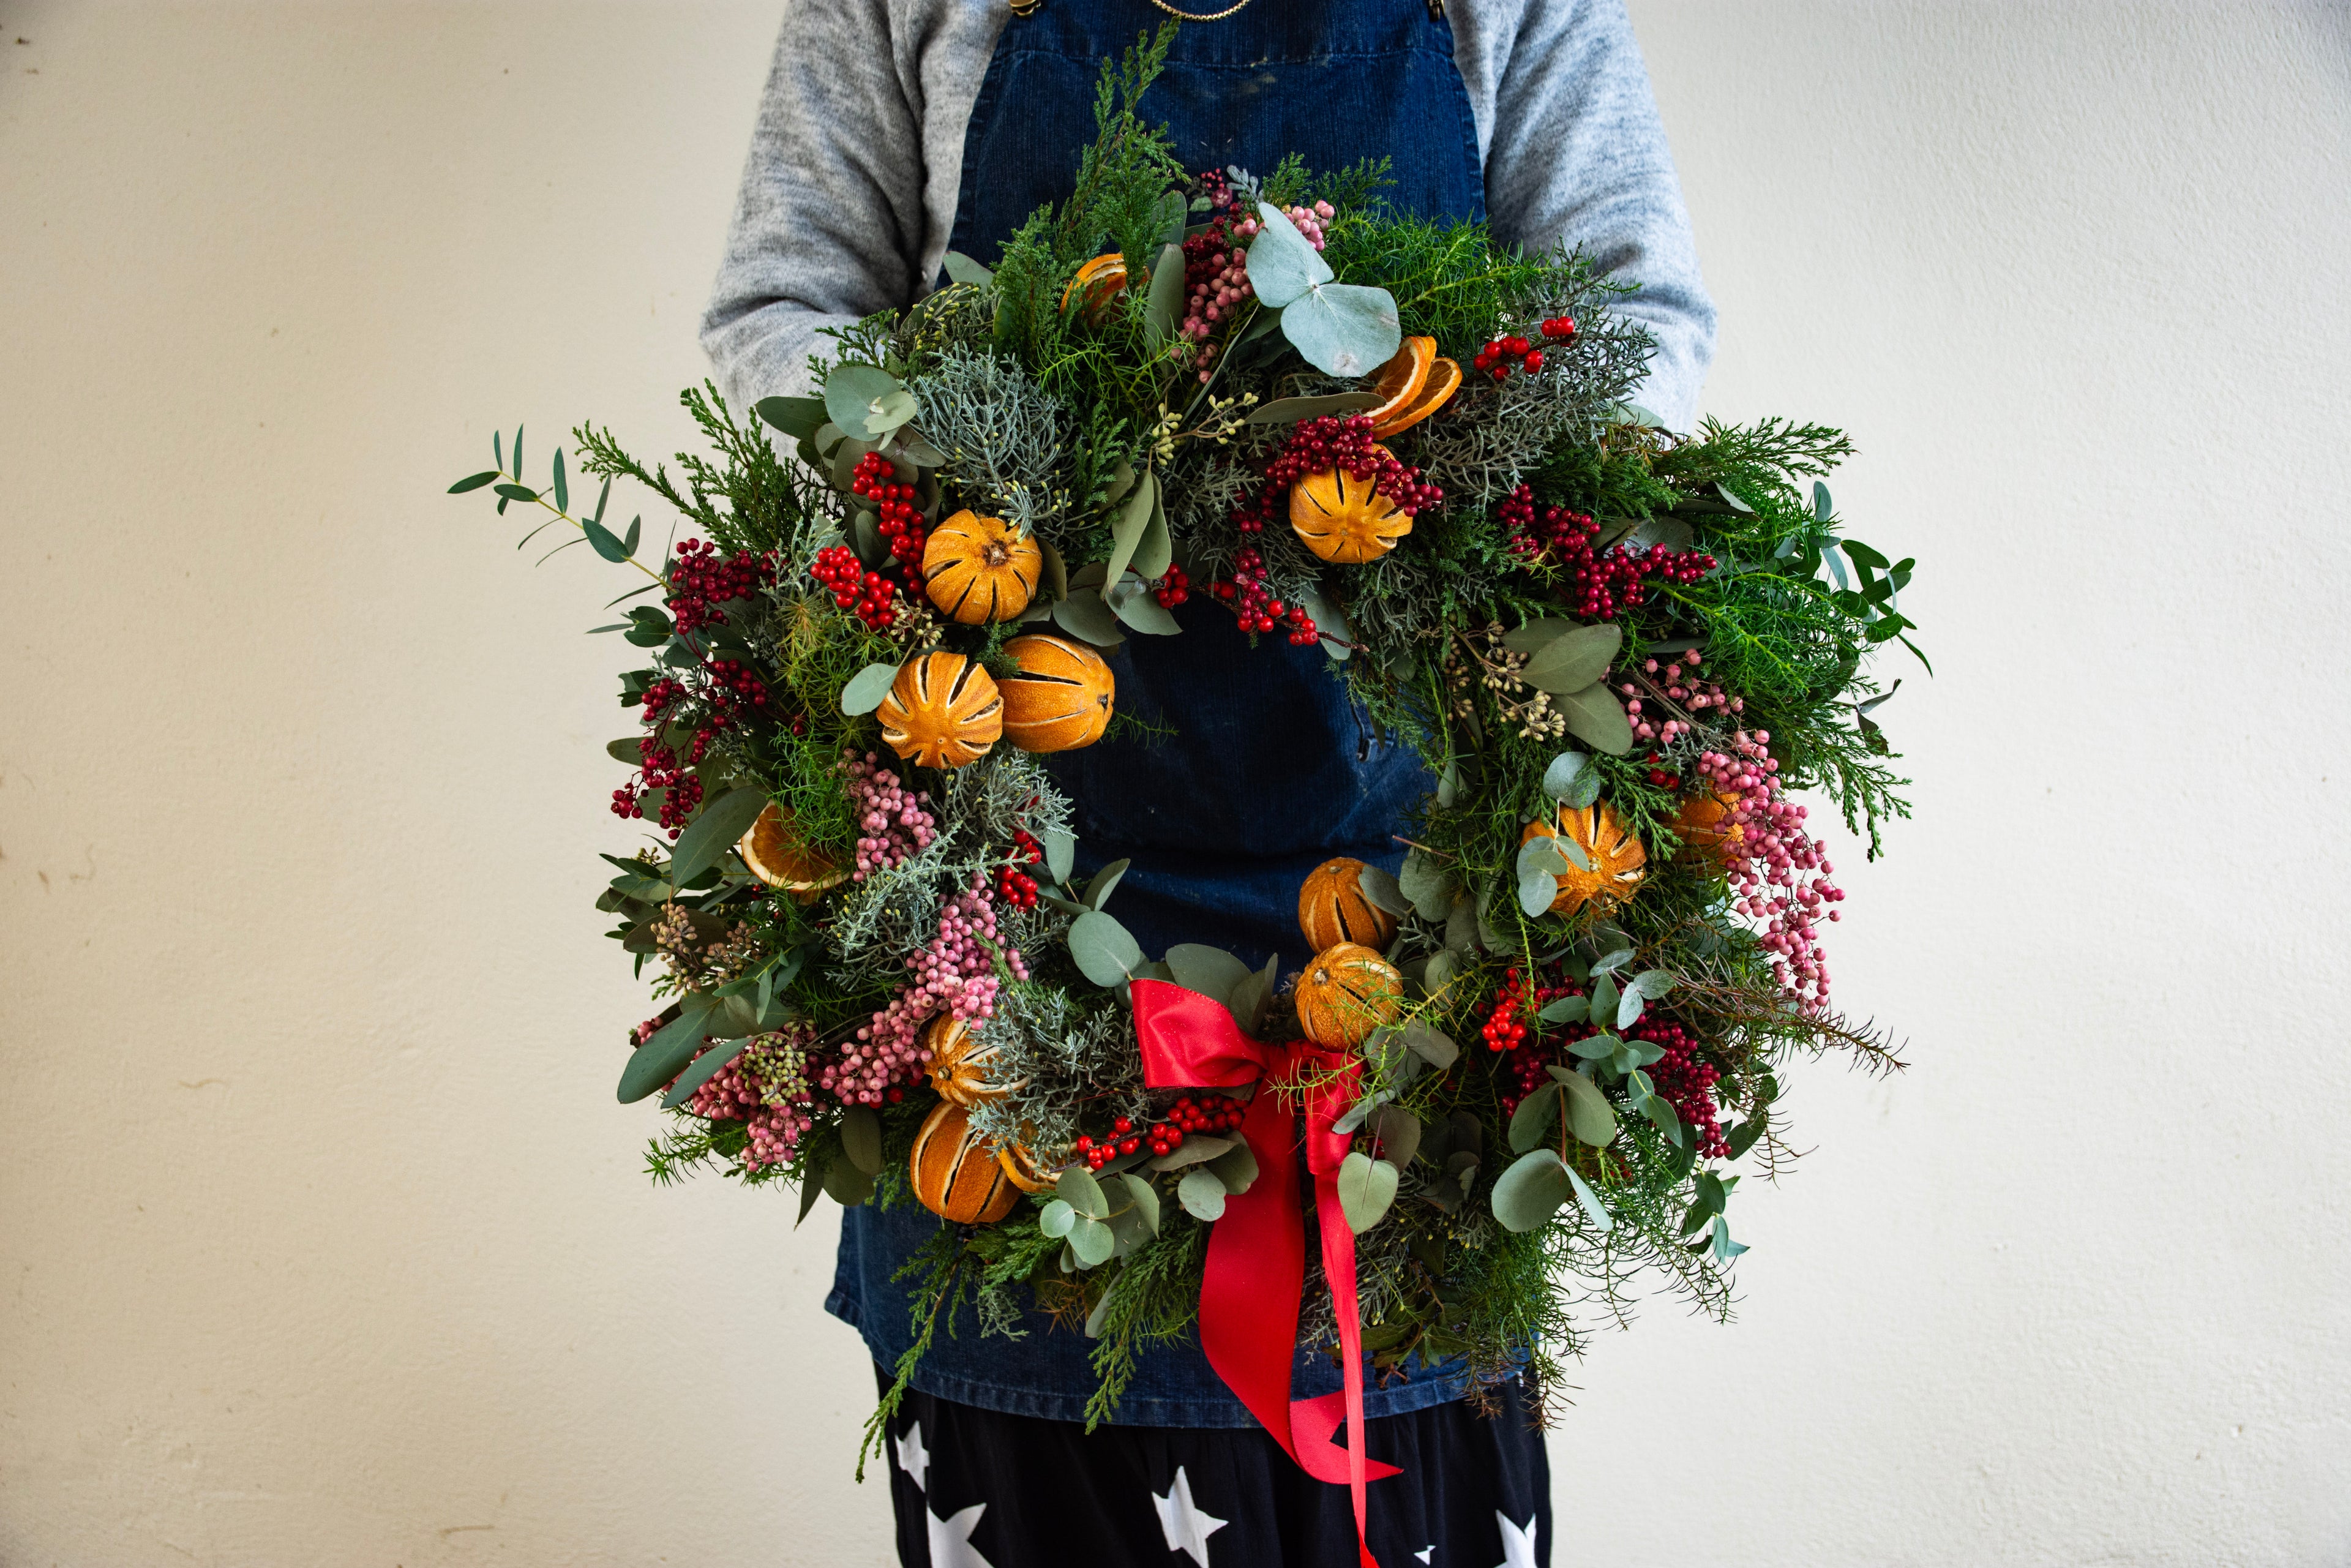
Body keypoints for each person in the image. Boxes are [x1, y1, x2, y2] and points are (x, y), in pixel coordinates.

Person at [702, 4, 1714, 1563]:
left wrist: (1388, 476)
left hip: (1402, 954)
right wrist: (1020, 459)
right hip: (1000, 944)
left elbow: (1632, 317)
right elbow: (790, 298)